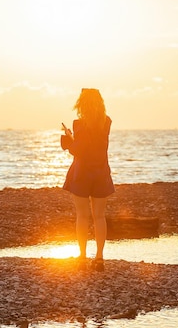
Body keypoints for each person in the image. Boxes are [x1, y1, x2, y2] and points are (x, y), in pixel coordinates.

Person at [60, 88, 114, 271]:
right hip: (101, 173)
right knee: (99, 216)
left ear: (82, 104)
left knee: (82, 216)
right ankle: (99, 258)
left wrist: (68, 140)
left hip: (82, 173)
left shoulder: (79, 124)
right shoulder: (106, 122)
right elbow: (94, 144)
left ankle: (82, 257)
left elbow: (78, 149)